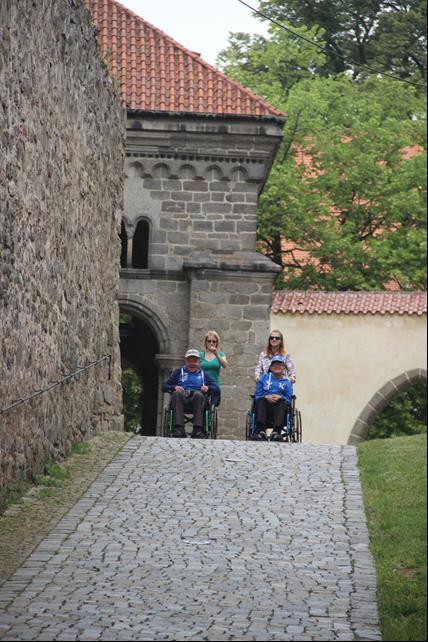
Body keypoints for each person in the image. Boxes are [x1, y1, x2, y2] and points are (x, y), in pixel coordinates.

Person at [162, 349, 219, 439]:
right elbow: (164, 387)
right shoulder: (178, 372)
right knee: (176, 394)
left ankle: (198, 430)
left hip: (198, 400)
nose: (192, 363)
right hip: (182, 398)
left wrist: (208, 388)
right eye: (190, 361)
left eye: (195, 361)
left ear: (199, 362)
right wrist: (174, 387)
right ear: (186, 361)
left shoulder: (204, 374)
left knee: (198, 395)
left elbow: (216, 389)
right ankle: (179, 429)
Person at [254, 355, 293, 441]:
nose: (277, 366)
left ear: (284, 368)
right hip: (264, 406)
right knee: (261, 400)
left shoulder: (287, 382)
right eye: (274, 364)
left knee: (282, 402)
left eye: (280, 364)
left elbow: (289, 399)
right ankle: (261, 431)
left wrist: (280, 397)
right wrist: (266, 396)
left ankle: (276, 432)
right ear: (271, 368)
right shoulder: (263, 379)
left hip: (279, 407)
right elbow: (257, 396)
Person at [199, 330, 227, 407]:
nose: (211, 343)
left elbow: (224, 365)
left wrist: (216, 354)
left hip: (214, 385)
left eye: (214, 341)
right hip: (201, 385)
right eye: (209, 341)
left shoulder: (220, 354)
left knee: (212, 407)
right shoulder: (200, 355)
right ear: (205, 342)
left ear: (217, 343)